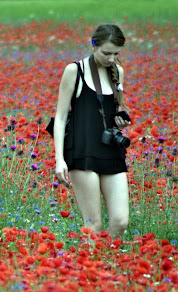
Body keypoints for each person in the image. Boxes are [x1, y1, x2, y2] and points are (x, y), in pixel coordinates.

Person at [53, 24, 130, 239]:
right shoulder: (74, 71)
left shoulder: (118, 72)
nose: (112, 59)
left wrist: (120, 121)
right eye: (107, 53)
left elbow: (115, 110)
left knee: (120, 221)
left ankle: (108, 262)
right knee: (93, 225)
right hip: (83, 151)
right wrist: (60, 160)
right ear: (93, 46)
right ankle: (91, 269)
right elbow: (60, 118)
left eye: (116, 54)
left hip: (111, 151)